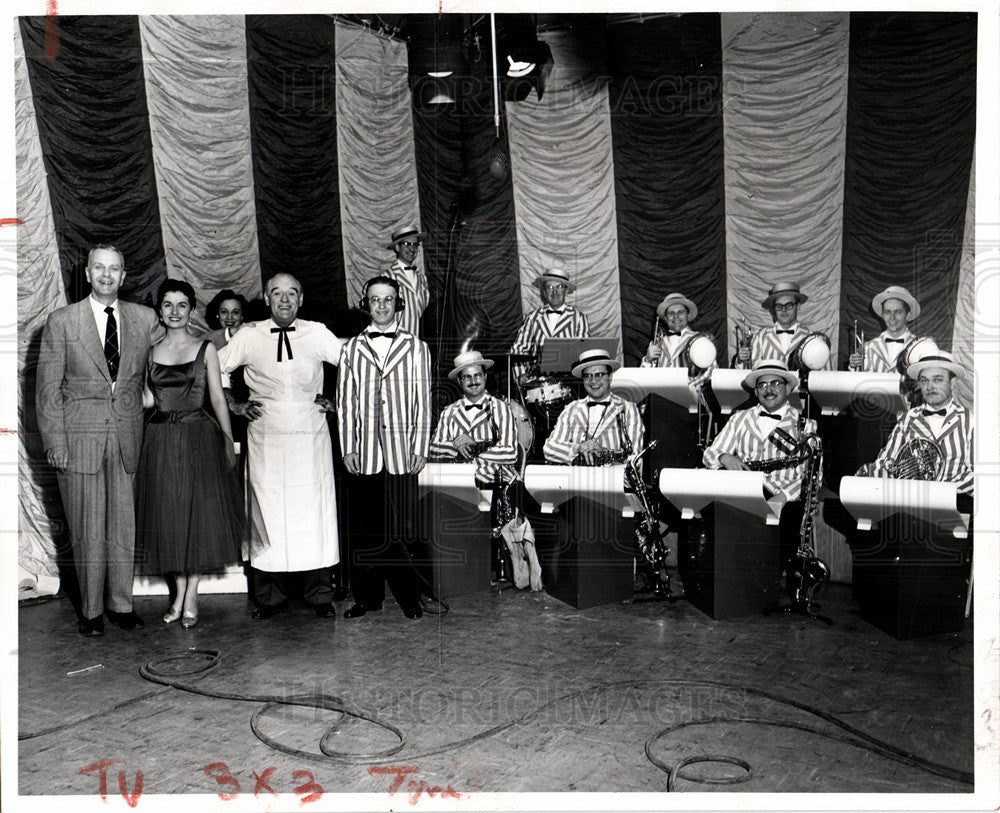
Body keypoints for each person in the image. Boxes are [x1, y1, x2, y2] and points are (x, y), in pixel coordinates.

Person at [36, 244, 161, 636]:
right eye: (99, 268)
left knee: (123, 527)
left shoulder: (144, 319)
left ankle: (121, 605)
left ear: (124, 276)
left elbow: (178, 350)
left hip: (127, 437)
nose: (107, 275)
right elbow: (47, 391)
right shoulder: (62, 321)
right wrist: (55, 441)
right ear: (87, 274)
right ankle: (90, 612)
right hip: (78, 440)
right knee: (88, 528)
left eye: (115, 269)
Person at [218, 273, 344, 620]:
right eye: (277, 293)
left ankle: (320, 594)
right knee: (267, 513)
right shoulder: (250, 335)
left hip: (310, 436)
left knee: (313, 514)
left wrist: (338, 400)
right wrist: (235, 404)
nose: (284, 300)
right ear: (266, 298)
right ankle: (268, 597)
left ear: (301, 298)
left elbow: (354, 364)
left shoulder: (316, 332)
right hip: (266, 436)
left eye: (292, 293)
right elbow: (215, 366)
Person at [135, 280, 244, 628]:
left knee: (196, 518)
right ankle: (178, 592)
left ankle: (191, 594)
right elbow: (149, 399)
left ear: (192, 309)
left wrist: (226, 439)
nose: (175, 312)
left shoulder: (205, 348)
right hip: (160, 439)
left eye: (182, 305)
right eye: (168, 305)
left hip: (199, 438)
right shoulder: (150, 351)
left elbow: (216, 398)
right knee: (169, 519)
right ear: (160, 310)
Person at [337, 275, 432, 619]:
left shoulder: (417, 347)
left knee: (404, 529)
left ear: (398, 304)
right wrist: (348, 446)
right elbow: (345, 403)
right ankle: (367, 597)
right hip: (364, 451)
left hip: (402, 450)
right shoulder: (350, 349)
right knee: (365, 530)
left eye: (388, 300)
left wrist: (420, 444)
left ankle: (410, 598)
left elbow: (423, 400)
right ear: (366, 304)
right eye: (374, 300)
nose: (381, 306)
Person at [429, 350, 541, 591]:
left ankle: (519, 548)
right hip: (460, 483)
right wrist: (457, 447)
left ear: (485, 377)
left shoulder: (500, 408)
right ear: (459, 382)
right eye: (467, 377)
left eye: (477, 375)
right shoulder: (449, 413)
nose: (473, 381)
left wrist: (473, 447)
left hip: (496, 478)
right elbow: (435, 449)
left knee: (510, 489)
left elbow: (509, 451)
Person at [703, 359, 818, 573]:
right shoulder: (739, 419)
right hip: (745, 494)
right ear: (756, 392)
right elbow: (710, 454)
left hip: (785, 499)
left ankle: (766, 585)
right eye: (762, 385)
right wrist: (725, 457)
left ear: (787, 388)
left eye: (775, 383)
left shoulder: (806, 426)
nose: (769, 389)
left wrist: (782, 497)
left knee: (776, 541)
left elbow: (811, 476)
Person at [857, 351, 973, 494]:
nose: (930, 387)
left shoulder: (971, 421)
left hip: (955, 506)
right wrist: (868, 475)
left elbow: (978, 475)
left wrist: (945, 490)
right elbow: (887, 461)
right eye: (924, 380)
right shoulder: (907, 419)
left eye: (937, 380)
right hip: (911, 506)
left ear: (952, 384)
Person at [543, 348, 643, 465]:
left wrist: (605, 453)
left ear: (610, 377)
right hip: (577, 480)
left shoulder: (628, 409)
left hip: (612, 481)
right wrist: (578, 448)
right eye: (588, 376)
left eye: (599, 375)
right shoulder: (571, 409)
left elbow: (635, 457)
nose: (593, 381)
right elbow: (549, 448)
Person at [510, 267, 590, 384]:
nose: (555, 292)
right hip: (537, 383)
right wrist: (521, 375)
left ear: (566, 291)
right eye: (550, 287)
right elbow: (518, 349)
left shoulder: (578, 318)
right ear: (544, 292)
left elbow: (584, 351)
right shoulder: (532, 318)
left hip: (569, 381)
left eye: (559, 287)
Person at [736, 281, 829, 370]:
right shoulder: (760, 337)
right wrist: (741, 359)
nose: (783, 310)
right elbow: (748, 373)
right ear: (774, 309)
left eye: (789, 305)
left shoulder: (812, 339)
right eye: (779, 306)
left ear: (798, 306)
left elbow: (825, 378)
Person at [848, 285, 921, 372]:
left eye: (898, 312)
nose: (892, 318)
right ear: (882, 315)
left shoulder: (919, 346)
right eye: (887, 312)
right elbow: (860, 381)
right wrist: (855, 366)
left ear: (908, 315)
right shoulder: (868, 348)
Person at [381, 225, 429, 336]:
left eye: (415, 245)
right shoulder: (386, 277)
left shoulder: (422, 279)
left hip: (417, 343)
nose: (412, 249)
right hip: (396, 344)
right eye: (407, 244)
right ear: (397, 247)